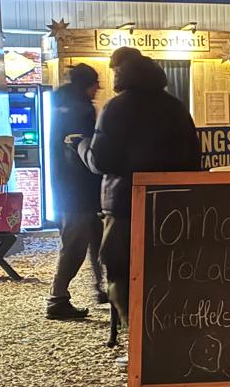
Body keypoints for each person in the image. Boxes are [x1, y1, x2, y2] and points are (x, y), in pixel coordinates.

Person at [80, 48, 201, 330]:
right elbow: (195, 157)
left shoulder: (116, 107)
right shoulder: (176, 107)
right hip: (173, 204)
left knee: (122, 269)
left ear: (119, 74)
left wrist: (81, 146)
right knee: (168, 270)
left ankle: (136, 332)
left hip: (124, 206)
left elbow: (101, 161)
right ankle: (169, 329)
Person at [46, 63, 106, 321]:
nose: (96, 92)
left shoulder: (60, 105)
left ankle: (100, 288)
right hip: (79, 190)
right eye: (95, 86)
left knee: (93, 239)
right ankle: (56, 299)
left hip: (64, 187)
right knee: (75, 245)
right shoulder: (81, 109)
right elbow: (85, 149)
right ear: (88, 85)